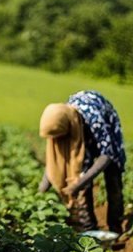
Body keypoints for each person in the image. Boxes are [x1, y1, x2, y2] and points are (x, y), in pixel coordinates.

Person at [38, 91, 126, 234]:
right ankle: (89, 229)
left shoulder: (94, 120)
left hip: (106, 129)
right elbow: (54, 160)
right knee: (81, 174)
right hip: (77, 129)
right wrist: (41, 190)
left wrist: (78, 184)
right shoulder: (60, 122)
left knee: (113, 179)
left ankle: (115, 229)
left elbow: (107, 156)